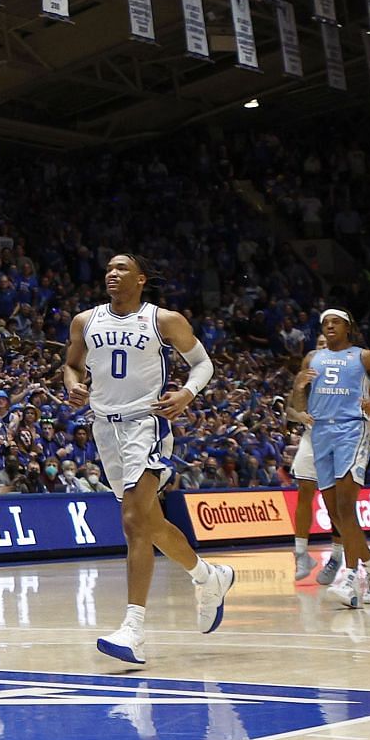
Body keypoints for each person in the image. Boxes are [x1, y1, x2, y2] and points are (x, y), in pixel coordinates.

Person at [64, 254, 233, 667]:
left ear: (140, 279)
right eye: (108, 268)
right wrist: (73, 384)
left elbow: (203, 363)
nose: (112, 273)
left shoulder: (164, 320)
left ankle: (133, 629)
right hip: (105, 428)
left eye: (122, 268)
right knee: (150, 522)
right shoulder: (85, 321)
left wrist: (188, 394)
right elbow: (70, 365)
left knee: (133, 520)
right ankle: (208, 577)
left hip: (147, 423)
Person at [291, 308, 370, 610]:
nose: (329, 326)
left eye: (335, 322)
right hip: (320, 434)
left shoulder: (364, 357)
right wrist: (298, 388)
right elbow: (298, 405)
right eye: (325, 323)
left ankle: (351, 578)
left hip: (350, 431)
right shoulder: (310, 359)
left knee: (346, 505)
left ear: (348, 327)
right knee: (336, 514)